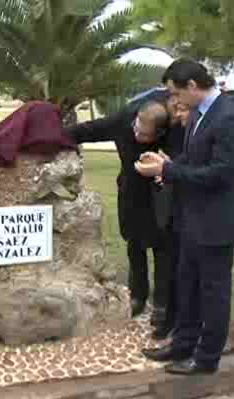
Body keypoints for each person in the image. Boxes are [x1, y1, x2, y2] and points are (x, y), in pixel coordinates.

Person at [136, 58, 234, 375]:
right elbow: (195, 157)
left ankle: (206, 359)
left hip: (217, 222)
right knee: (186, 285)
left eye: (175, 92)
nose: (173, 100)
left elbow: (221, 173)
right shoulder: (203, 115)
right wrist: (166, 162)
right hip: (193, 218)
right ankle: (182, 345)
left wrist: (167, 170)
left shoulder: (229, 116)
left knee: (213, 293)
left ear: (191, 86)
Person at [65, 88, 181, 328]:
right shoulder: (123, 120)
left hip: (162, 194)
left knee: (163, 250)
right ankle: (137, 296)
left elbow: (187, 159)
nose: (136, 134)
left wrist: (169, 166)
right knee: (134, 245)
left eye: (144, 134)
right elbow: (86, 131)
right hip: (131, 191)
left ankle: (162, 303)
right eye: (136, 128)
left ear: (160, 132)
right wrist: (48, 136)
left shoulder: (175, 131)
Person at [152, 101, 188, 340]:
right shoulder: (169, 128)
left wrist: (169, 168)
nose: (176, 110)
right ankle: (169, 319)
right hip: (173, 206)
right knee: (171, 266)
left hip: (193, 210)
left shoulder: (203, 129)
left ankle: (185, 325)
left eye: (181, 107)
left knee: (189, 274)